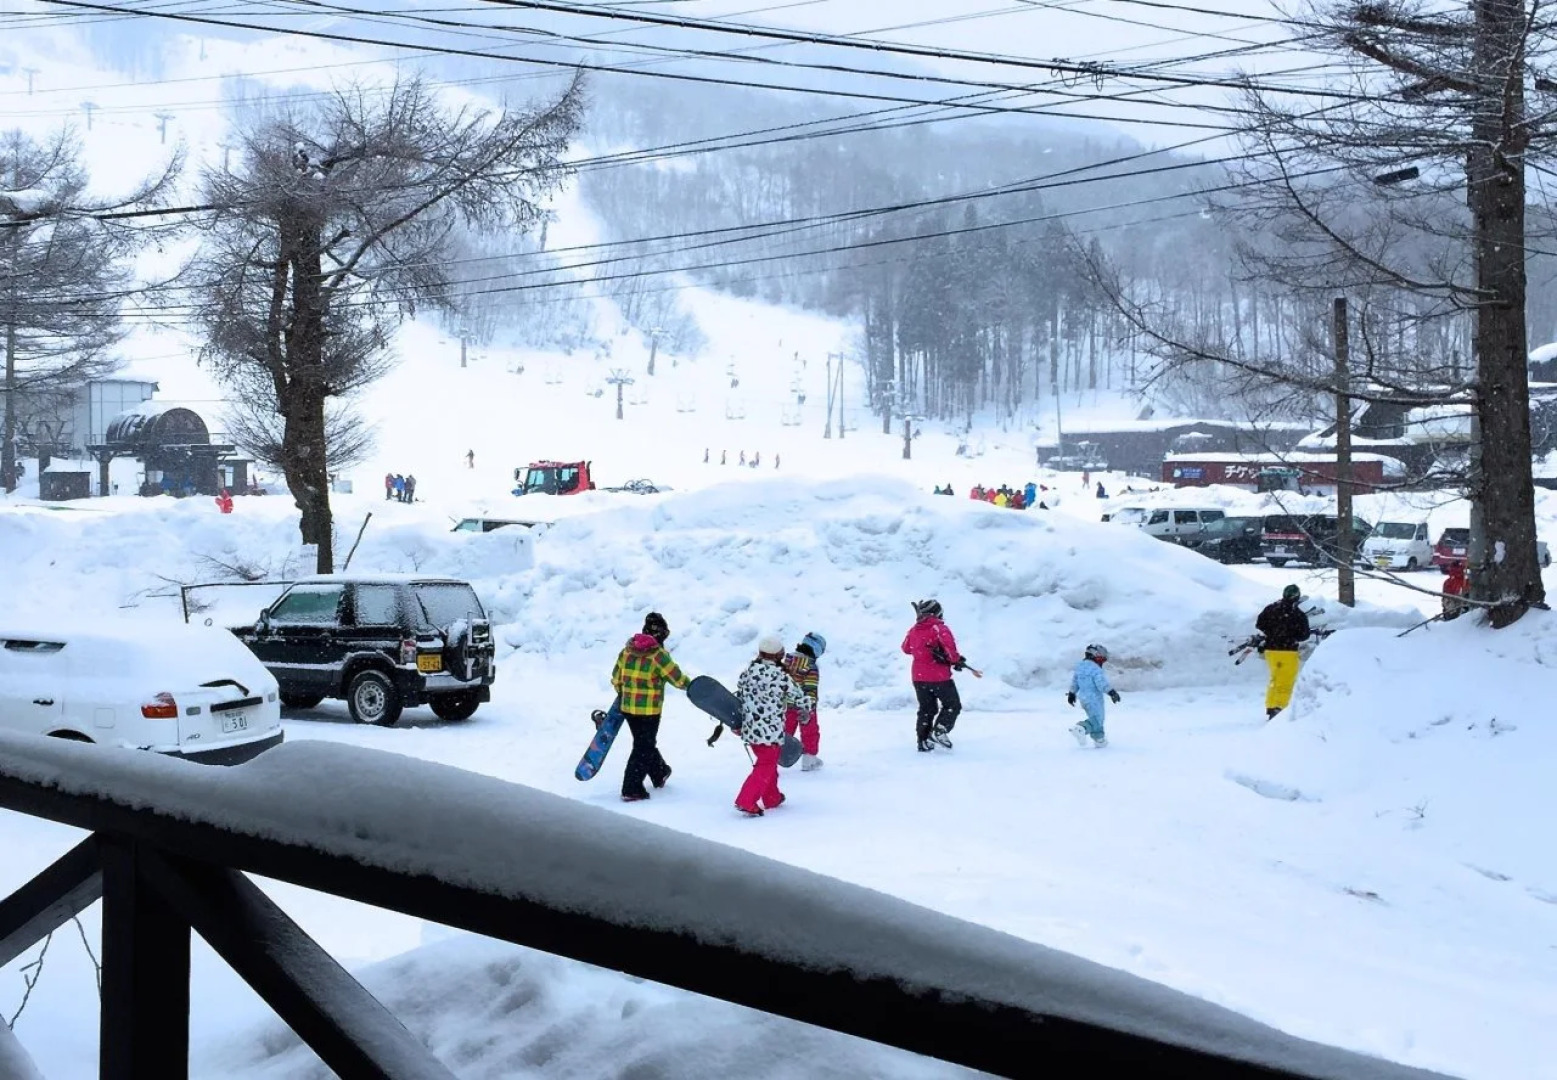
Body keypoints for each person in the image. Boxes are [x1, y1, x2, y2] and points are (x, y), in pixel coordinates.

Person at [611, 612, 692, 802]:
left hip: (627, 707)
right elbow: (678, 679)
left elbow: (616, 678)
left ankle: (660, 772)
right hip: (649, 711)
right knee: (642, 746)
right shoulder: (658, 656)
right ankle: (632, 788)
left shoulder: (627, 651)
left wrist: (624, 693)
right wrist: (694, 687)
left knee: (643, 742)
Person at [734, 636, 809, 817]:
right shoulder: (781, 677)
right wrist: (808, 708)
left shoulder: (747, 673)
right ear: (779, 656)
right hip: (770, 732)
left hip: (750, 729)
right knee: (766, 765)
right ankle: (746, 800)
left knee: (767, 763)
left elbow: (739, 697)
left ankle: (772, 797)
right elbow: (799, 697)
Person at [901, 599, 968, 752]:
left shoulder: (914, 629)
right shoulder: (939, 628)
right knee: (952, 705)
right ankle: (940, 729)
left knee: (926, 709)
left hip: (918, 677)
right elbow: (950, 650)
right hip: (939, 676)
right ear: (938, 612)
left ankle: (923, 741)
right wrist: (956, 660)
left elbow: (905, 648)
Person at [1255, 584, 1311, 720]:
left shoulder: (1271, 608)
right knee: (1286, 681)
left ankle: (1270, 705)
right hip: (1287, 651)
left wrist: (1272, 632)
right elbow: (1304, 635)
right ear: (1297, 597)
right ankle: (1280, 709)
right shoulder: (1297, 614)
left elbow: (1259, 624)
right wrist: (1290, 634)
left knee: (1275, 678)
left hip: (1270, 650)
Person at [783, 632, 826, 771]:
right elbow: (811, 688)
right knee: (810, 732)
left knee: (785, 731)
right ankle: (809, 759)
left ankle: (775, 754)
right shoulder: (810, 666)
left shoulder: (788, 661)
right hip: (805, 707)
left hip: (786, 705)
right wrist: (809, 707)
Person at [1066, 643, 1120, 748]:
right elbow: (1101, 684)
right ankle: (1081, 728)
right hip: (1094, 698)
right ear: (1096, 655)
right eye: (1102, 659)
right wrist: (1111, 692)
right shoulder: (1095, 669)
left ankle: (1099, 739)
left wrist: (1072, 693)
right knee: (1097, 719)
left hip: (1084, 698)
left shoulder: (1080, 666)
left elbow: (1075, 682)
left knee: (1095, 719)